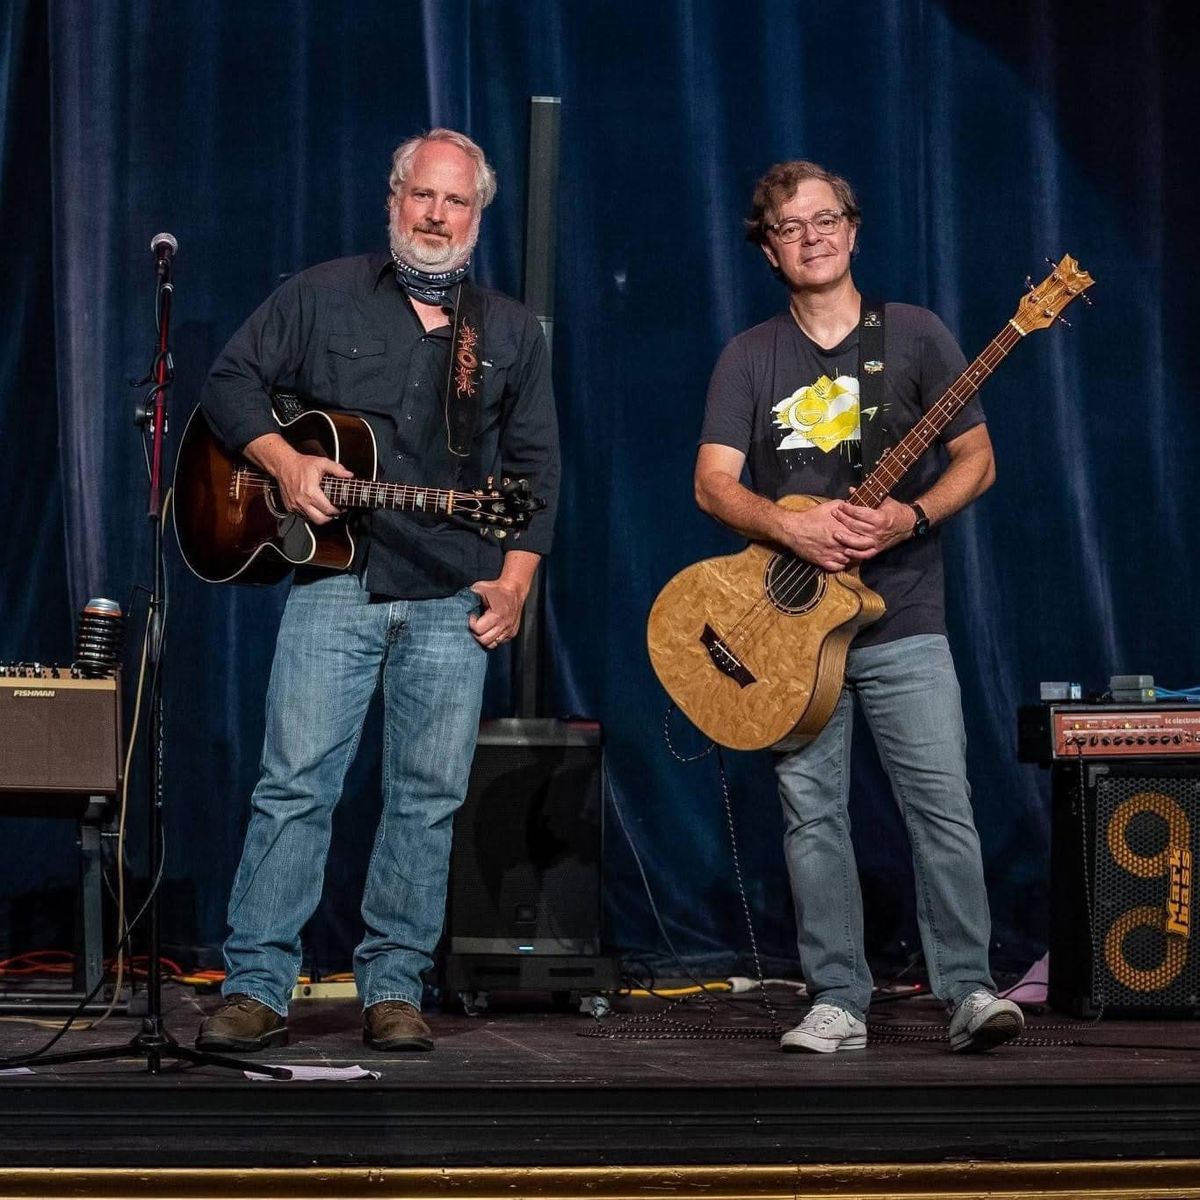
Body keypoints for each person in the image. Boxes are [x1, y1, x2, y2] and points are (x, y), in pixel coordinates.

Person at [195, 128, 559, 1053]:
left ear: (479, 216)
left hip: (449, 589)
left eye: (457, 203)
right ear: (394, 199)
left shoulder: (510, 332)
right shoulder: (319, 294)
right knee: (295, 787)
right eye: (422, 197)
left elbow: (537, 471)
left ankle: (393, 984)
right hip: (334, 582)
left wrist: (514, 585)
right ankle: (258, 985)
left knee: (428, 796)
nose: (437, 217)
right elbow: (230, 381)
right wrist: (281, 460)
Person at [695, 159, 1023, 1054]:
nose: (812, 235)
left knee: (942, 805)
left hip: (903, 616)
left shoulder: (915, 335)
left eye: (826, 218)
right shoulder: (749, 356)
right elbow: (713, 485)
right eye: (790, 226)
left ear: (854, 228)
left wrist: (909, 513)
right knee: (810, 810)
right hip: (792, 629)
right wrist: (791, 530)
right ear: (769, 249)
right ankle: (838, 997)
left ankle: (967, 990)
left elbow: (977, 460)